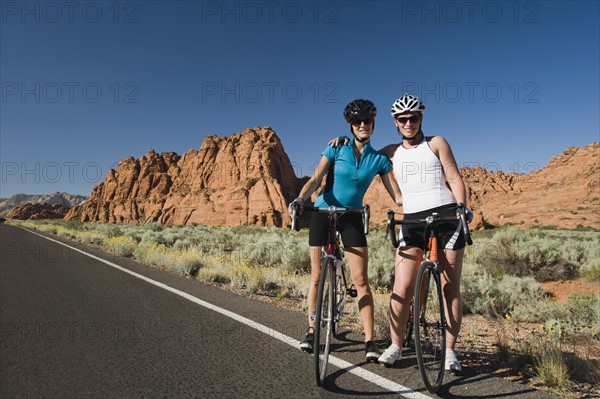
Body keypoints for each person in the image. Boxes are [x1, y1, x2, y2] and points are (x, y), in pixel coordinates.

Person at [288, 99, 402, 362]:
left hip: (351, 216)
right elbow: (316, 178)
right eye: (357, 121)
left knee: (361, 280)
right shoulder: (336, 148)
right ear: (350, 125)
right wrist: (301, 200)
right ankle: (312, 330)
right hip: (322, 212)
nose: (363, 125)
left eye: (367, 121)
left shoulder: (379, 160)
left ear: (374, 124)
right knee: (316, 276)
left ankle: (370, 341)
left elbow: (396, 195)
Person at [375, 94, 471, 373]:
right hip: (412, 220)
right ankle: (395, 344)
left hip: (446, 216)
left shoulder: (436, 143)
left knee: (449, 287)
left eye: (413, 118)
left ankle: (450, 351)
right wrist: (342, 143)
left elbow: (453, 177)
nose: (408, 123)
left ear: (421, 118)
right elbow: (363, 157)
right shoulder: (390, 152)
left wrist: (463, 206)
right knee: (402, 288)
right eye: (403, 119)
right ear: (395, 122)